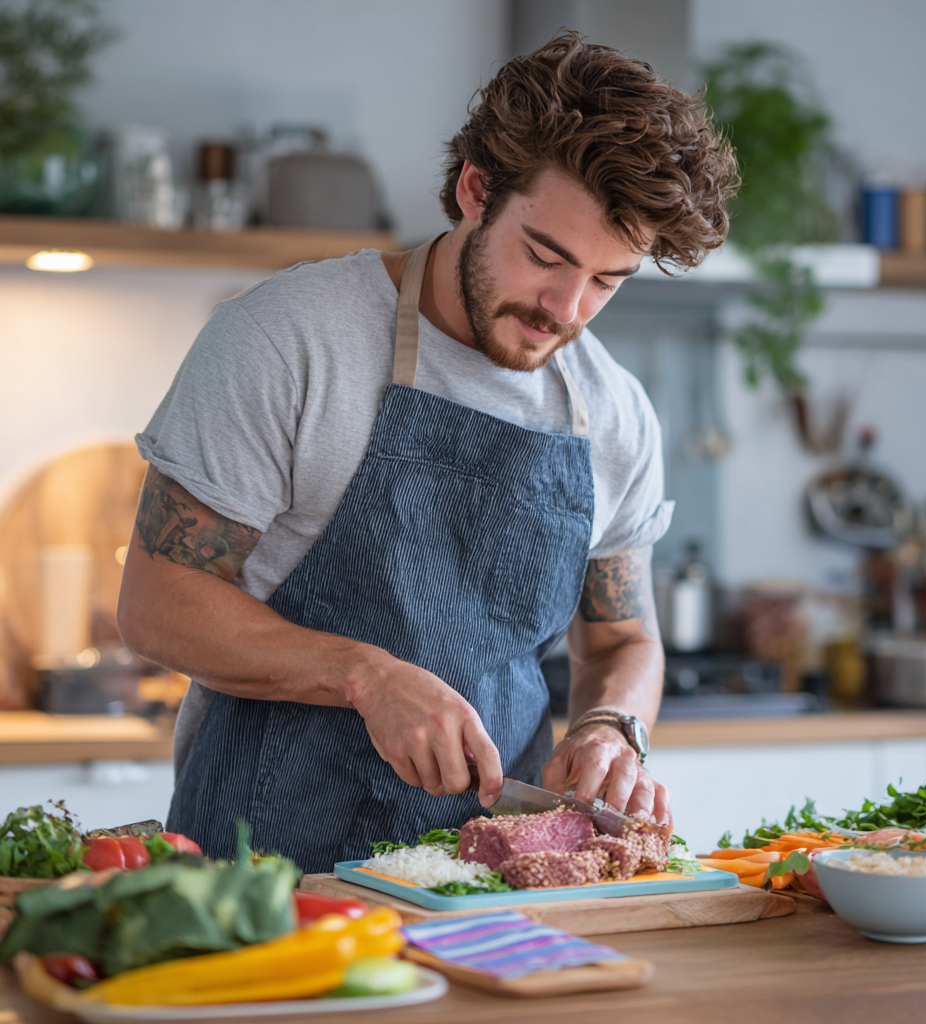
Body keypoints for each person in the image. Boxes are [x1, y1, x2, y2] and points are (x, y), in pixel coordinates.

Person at [117, 32, 736, 873]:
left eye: (607, 280)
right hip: (265, 877)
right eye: (545, 256)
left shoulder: (614, 412)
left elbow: (625, 641)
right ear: (475, 190)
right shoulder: (289, 339)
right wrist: (362, 675)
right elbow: (157, 602)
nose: (567, 307)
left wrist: (610, 725)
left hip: (497, 883)